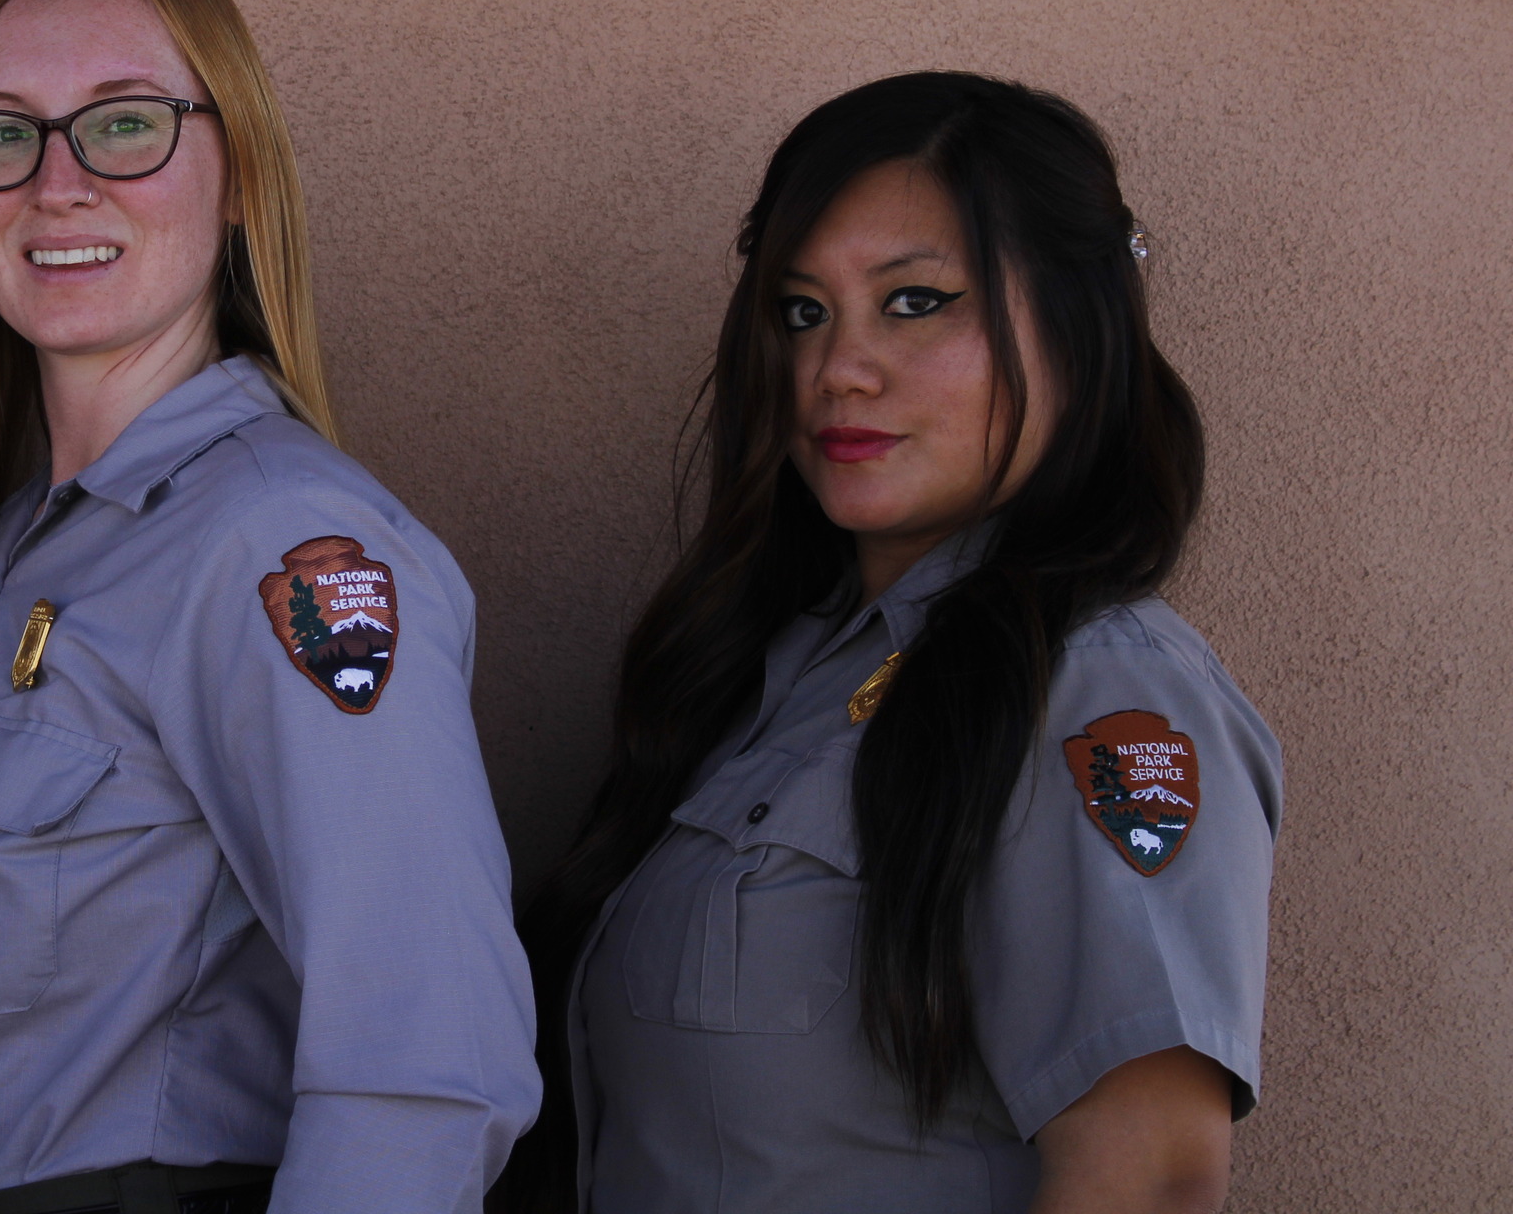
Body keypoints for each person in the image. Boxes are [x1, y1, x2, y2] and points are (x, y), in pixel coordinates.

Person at [0, 0, 540, 1214]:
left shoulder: (274, 544)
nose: (58, 182)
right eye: (3, 132)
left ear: (241, 173)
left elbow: (423, 1069)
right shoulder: (24, 548)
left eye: (126, 124)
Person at [499, 72, 1281, 1214]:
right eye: (802, 311)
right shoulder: (775, 677)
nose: (837, 368)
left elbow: (1151, 1177)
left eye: (916, 303)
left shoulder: (1101, 693)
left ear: (1081, 321)